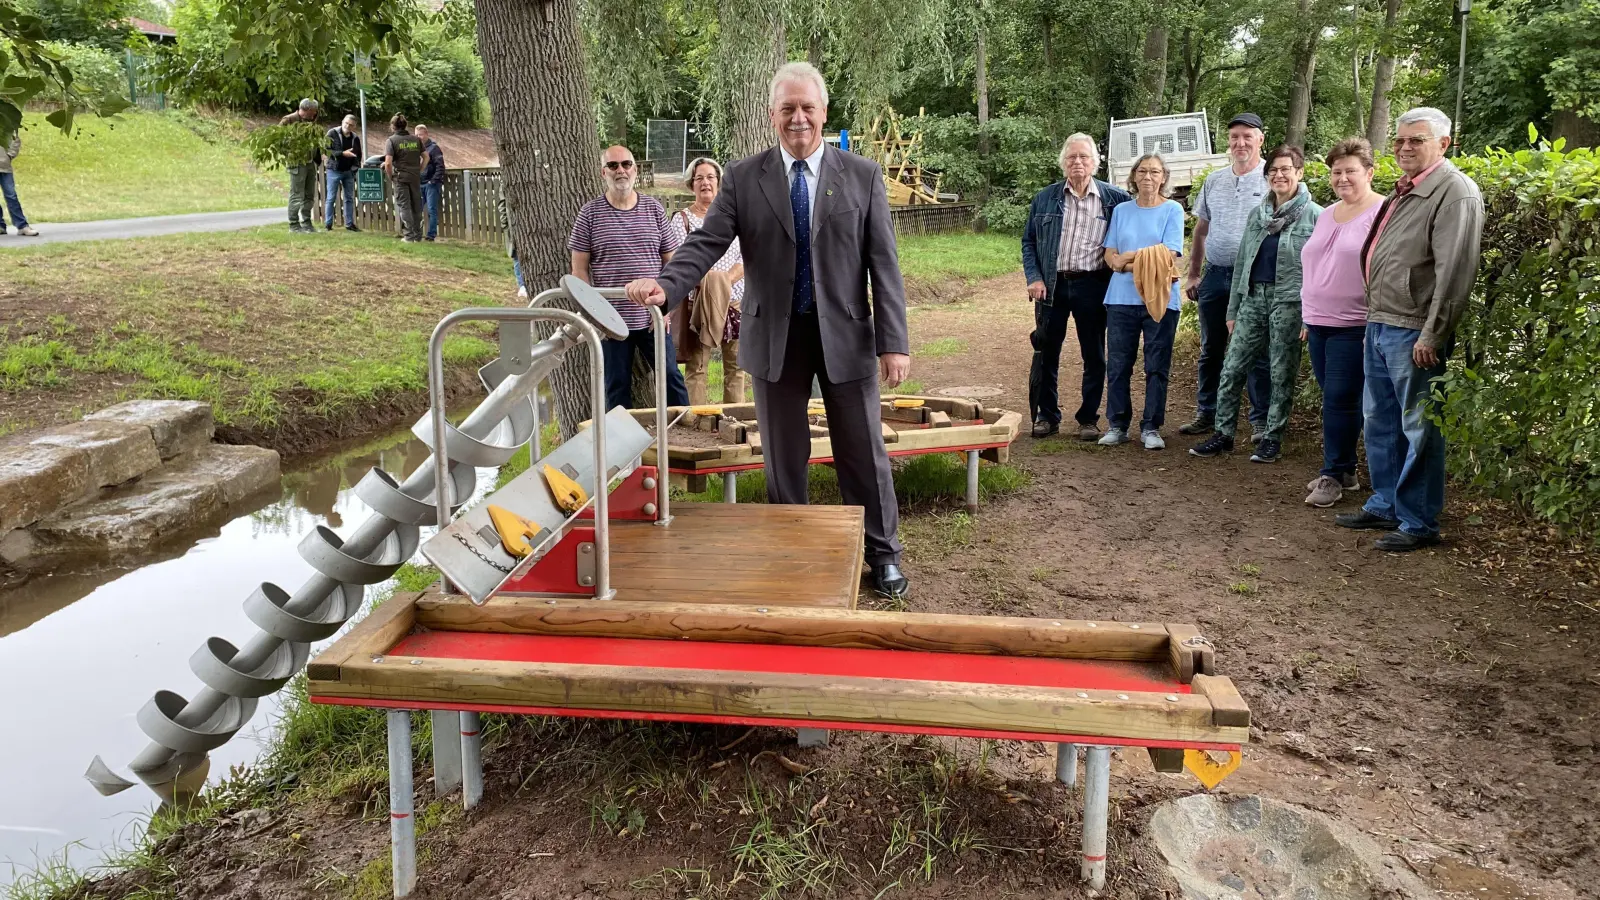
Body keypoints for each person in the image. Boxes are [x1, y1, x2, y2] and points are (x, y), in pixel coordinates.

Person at [624, 62, 913, 601]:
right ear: (771, 116)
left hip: (846, 335)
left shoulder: (862, 175)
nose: (798, 118)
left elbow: (884, 265)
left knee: (862, 450)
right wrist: (667, 284)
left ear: (824, 113)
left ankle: (883, 552)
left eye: (807, 108)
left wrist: (894, 342)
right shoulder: (743, 177)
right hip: (775, 337)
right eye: (788, 109)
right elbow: (707, 243)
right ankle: (793, 550)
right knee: (784, 455)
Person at [1337, 107, 1483, 551]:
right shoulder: (1408, 189)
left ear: (1443, 143)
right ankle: (1385, 503)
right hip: (1381, 320)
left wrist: (1433, 333)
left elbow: (1456, 271)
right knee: (1380, 420)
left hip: (1414, 330)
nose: (1404, 147)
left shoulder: (1454, 192)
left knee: (1419, 427)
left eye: (1416, 140)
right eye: (1400, 140)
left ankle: (1418, 521)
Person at [1189, 145, 1322, 464]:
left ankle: (1271, 438)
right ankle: (1223, 434)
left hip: (1289, 302)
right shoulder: (1257, 215)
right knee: (1232, 367)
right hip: (1252, 297)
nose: (1279, 175)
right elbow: (1242, 265)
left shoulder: (1316, 215)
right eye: (1273, 170)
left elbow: (1319, 270)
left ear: (1299, 173)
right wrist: (1233, 309)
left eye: (1286, 169)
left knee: (1281, 370)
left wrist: (1309, 316)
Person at [1021, 134, 1131, 441]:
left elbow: (1132, 234)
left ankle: (1088, 418)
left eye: (1084, 157)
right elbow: (1029, 241)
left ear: (1096, 162)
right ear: (1063, 163)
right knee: (1046, 352)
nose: (1078, 163)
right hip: (1051, 287)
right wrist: (1034, 277)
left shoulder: (1116, 200)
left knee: (1094, 355)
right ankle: (1047, 416)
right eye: (1071, 158)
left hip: (1094, 284)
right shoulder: (1045, 197)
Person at [568, 144, 690, 412]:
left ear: (635, 169)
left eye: (626, 164)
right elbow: (578, 271)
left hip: (653, 317)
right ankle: (621, 449)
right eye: (613, 165)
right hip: (611, 322)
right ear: (603, 172)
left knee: (671, 379)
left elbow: (673, 263)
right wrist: (594, 313)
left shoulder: (654, 209)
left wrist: (668, 307)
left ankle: (688, 438)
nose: (620, 170)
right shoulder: (589, 213)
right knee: (616, 386)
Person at [1298, 138, 1383, 507]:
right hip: (1318, 321)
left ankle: (1332, 475)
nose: (1342, 178)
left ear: (1369, 172)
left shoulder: (1382, 212)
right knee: (1338, 399)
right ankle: (1346, 470)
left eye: (1350, 170)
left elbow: (1385, 271)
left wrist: (1377, 324)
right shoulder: (1326, 212)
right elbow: (1314, 265)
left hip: (1356, 324)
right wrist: (1306, 314)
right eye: (1336, 172)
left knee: (1338, 399)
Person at [1180, 112, 1271, 441]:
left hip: (1255, 279)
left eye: (1248, 136)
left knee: (1256, 349)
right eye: (1234, 137)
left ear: (1261, 139)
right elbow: (1201, 231)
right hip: (1215, 276)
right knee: (1211, 348)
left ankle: (1260, 419)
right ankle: (1208, 411)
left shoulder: (1273, 179)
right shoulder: (1214, 181)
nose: (1240, 142)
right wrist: (1193, 275)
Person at [1099, 154, 1185, 449]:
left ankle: (1151, 427)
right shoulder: (1122, 210)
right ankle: (1117, 424)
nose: (1148, 176)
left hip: (1161, 298)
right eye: (1143, 171)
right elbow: (1109, 254)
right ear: (1134, 176)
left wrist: (1126, 259)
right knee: (1119, 364)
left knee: (1156, 365)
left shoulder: (1173, 209)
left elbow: (1169, 256)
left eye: (1155, 172)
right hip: (1120, 299)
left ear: (1164, 178)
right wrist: (1123, 260)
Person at [669, 157, 747, 405]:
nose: (705, 183)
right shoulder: (682, 220)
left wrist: (724, 281)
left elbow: (747, 256)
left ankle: (735, 421)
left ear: (719, 182)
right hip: (698, 307)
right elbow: (682, 261)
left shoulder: (734, 217)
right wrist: (711, 284)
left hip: (734, 305)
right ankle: (699, 425)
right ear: (691, 184)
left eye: (710, 177)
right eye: (699, 178)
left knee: (736, 369)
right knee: (697, 368)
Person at [279, 98, 322, 233]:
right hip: (297, 164)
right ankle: (294, 224)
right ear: (307, 110)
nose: (315, 114)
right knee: (296, 194)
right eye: (313, 111)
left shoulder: (312, 122)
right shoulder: (288, 120)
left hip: (310, 163)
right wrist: (291, 153)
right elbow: (278, 141)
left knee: (309, 195)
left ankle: (307, 223)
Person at [382, 115, 424, 243]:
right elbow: (426, 157)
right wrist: (419, 169)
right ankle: (418, 236)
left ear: (392, 126)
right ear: (405, 125)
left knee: (404, 206)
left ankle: (409, 236)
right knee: (416, 205)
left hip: (400, 177)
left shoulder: (391, 141)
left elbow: (388, 163)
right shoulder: (416, 140)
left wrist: (390, 176)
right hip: (415, 177)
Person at [324, 114, 361, 231]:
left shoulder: (355, 137)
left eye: (351, 125)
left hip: (348, 171)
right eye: (346, 123)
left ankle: (349, 224)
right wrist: (342, 153)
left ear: (354, 126)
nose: (347, 126)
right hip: (334, 170)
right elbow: (326, 150)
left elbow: (358, 155)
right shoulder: (332, 133)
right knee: (331, 198)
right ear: (342, 121)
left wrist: (354, 169)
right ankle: (328, 224)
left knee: (349, 198)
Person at [0, 133, 39, 237]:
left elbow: (15, 138)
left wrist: (9, 155)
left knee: (11, 195)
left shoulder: (5, 120)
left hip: (4, 166)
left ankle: (22, 226)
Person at [416, 124, 446, 242]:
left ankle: (431, 234)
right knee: (417, 209)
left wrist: (433, 180)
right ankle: (416, 232)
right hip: (420, 182)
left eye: (421, 134)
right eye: (417, 135)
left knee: (431, 210)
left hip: (431, 183)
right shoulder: (417, 148)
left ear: (426, 134)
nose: (419, 137)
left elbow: (440, 166)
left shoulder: (434, 148)